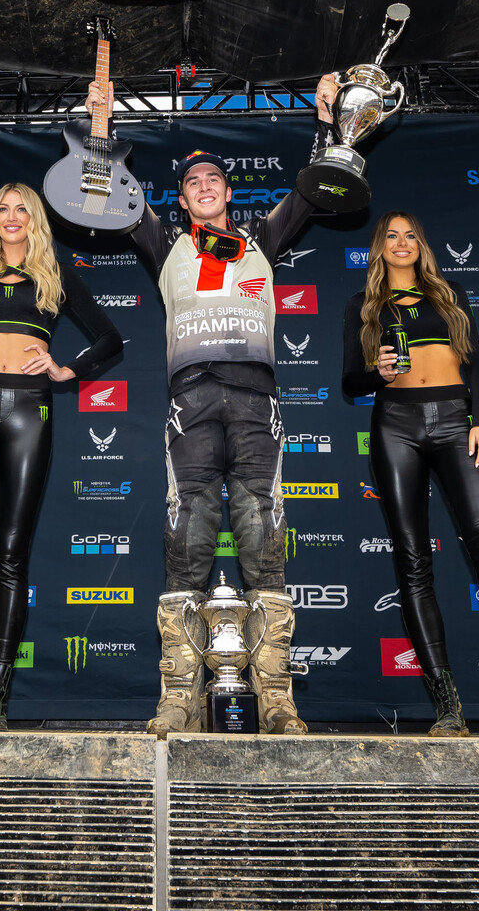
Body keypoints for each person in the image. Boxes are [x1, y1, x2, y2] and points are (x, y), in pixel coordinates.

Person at [85, 74, 339, 736]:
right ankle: (179, 700)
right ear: (183, 197)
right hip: (189, 406)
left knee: (264, 548)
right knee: (186, 548)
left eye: (214, 180)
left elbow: (313, 191)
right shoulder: (167, 243)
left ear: (228, 192)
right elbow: (116, 194)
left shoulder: (261, 236)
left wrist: (326, 121)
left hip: (257, 405)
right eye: (193, 182)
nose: (204, 187)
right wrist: (103, 127)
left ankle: (278, 703)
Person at [343, 211, 479, 737]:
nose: (401, 243)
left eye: (410, 235)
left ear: (422, 244)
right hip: (394, 425)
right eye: (390, 236)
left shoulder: (449, 293)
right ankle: (447, 706)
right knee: (413, 561)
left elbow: (477, 363)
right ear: (378, 247)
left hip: (457, 423)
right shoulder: (363, 305)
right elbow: (350, 381)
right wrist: (380, 372)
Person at [0, 182, 123, 730]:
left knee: (11, 551)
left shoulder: (55, 277)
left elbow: (110, 338)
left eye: (21, 210)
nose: (11, 217)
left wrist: (67, 370)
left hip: (29, 411)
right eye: (2, 208)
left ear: (35, 219)